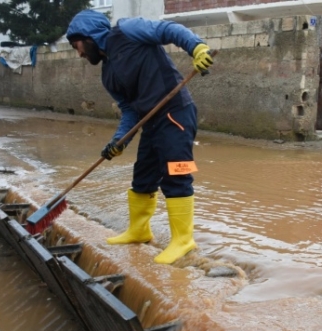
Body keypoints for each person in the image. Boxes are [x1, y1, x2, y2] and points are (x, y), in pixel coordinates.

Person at [65, 10, 213, 264]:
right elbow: (130, 111)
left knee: (176, 173)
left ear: (86, 35)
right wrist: (119, 141)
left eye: (76, 45)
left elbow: (170, 30)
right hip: (151, 122)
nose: (78, 52)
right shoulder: (108, 74)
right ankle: (139, 230)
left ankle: (184, 241)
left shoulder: (127, 30)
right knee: (143, 176)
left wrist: (196, 47)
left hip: (175, 112)